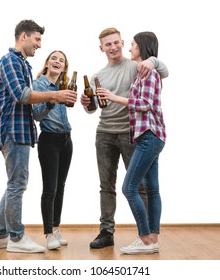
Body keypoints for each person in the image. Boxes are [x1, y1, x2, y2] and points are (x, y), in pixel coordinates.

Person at [0, 20, 77, 253]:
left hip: (22, 132)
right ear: (24, 37)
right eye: (37, 39)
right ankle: (16, 238)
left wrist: (57, 96)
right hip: (12, 130)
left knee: (14, 184)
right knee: (17, 185)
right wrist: (54, 95)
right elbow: (21, 94)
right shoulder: (9, 61)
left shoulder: (23, 65)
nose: (39, 45)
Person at [80, 27, 168, 249]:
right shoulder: (97, 76)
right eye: (108, 44)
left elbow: (163, 72)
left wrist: (154, 61)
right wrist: (86, 104)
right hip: (105, 134)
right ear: (101, 48)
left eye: (117, 42)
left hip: (133, 134)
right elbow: (93, 109)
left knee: (137, 187)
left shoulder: (137, 66)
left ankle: (146, 236)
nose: (114, 47)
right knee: (106, 186)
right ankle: (106, 232)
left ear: (122, 42)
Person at [32, 51, 73, 250]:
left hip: (66, 139)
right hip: (49, 140)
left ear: (64, 67)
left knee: (61, 186)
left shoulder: (63, 86)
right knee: (50, 188)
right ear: (47, 62)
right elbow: (37, 116)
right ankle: (48, 233)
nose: (57, 62)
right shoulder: (38, 84)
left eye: (61, 60)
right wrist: (51, 100)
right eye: (54, 58)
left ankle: (56, 228)